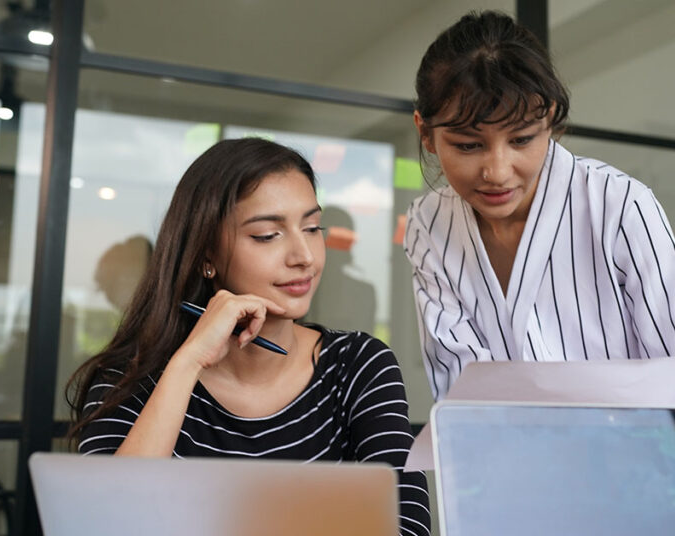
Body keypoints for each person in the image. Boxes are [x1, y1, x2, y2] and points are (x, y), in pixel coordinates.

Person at [67, 138, 431, 536]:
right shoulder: (128, 376)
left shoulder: (359, 365)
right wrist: (187, 364)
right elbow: (104, 525)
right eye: (267, 235)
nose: (304, 256)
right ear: (207, 256)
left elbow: (407, 526)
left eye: (312, 228)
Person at [405, 11, 675, 401]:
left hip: (639, 454)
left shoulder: (617, 205)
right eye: (468, 145)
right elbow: (460, 389)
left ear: (550, 120)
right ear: (425, 133)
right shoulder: (429, 224)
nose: (497, 172)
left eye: (521, 140)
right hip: (505, 455)